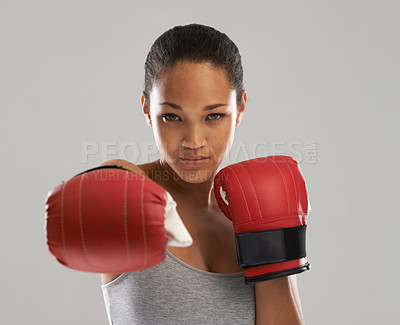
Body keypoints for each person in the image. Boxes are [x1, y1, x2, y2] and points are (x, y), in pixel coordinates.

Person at [46, 23, 309, 324]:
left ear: (241, 107)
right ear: (146, 109)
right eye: (172, 116)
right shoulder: (126, 189)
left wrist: (273, 241)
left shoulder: (256, 207)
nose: (193, 141)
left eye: (214, 116)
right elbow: (84, 200)